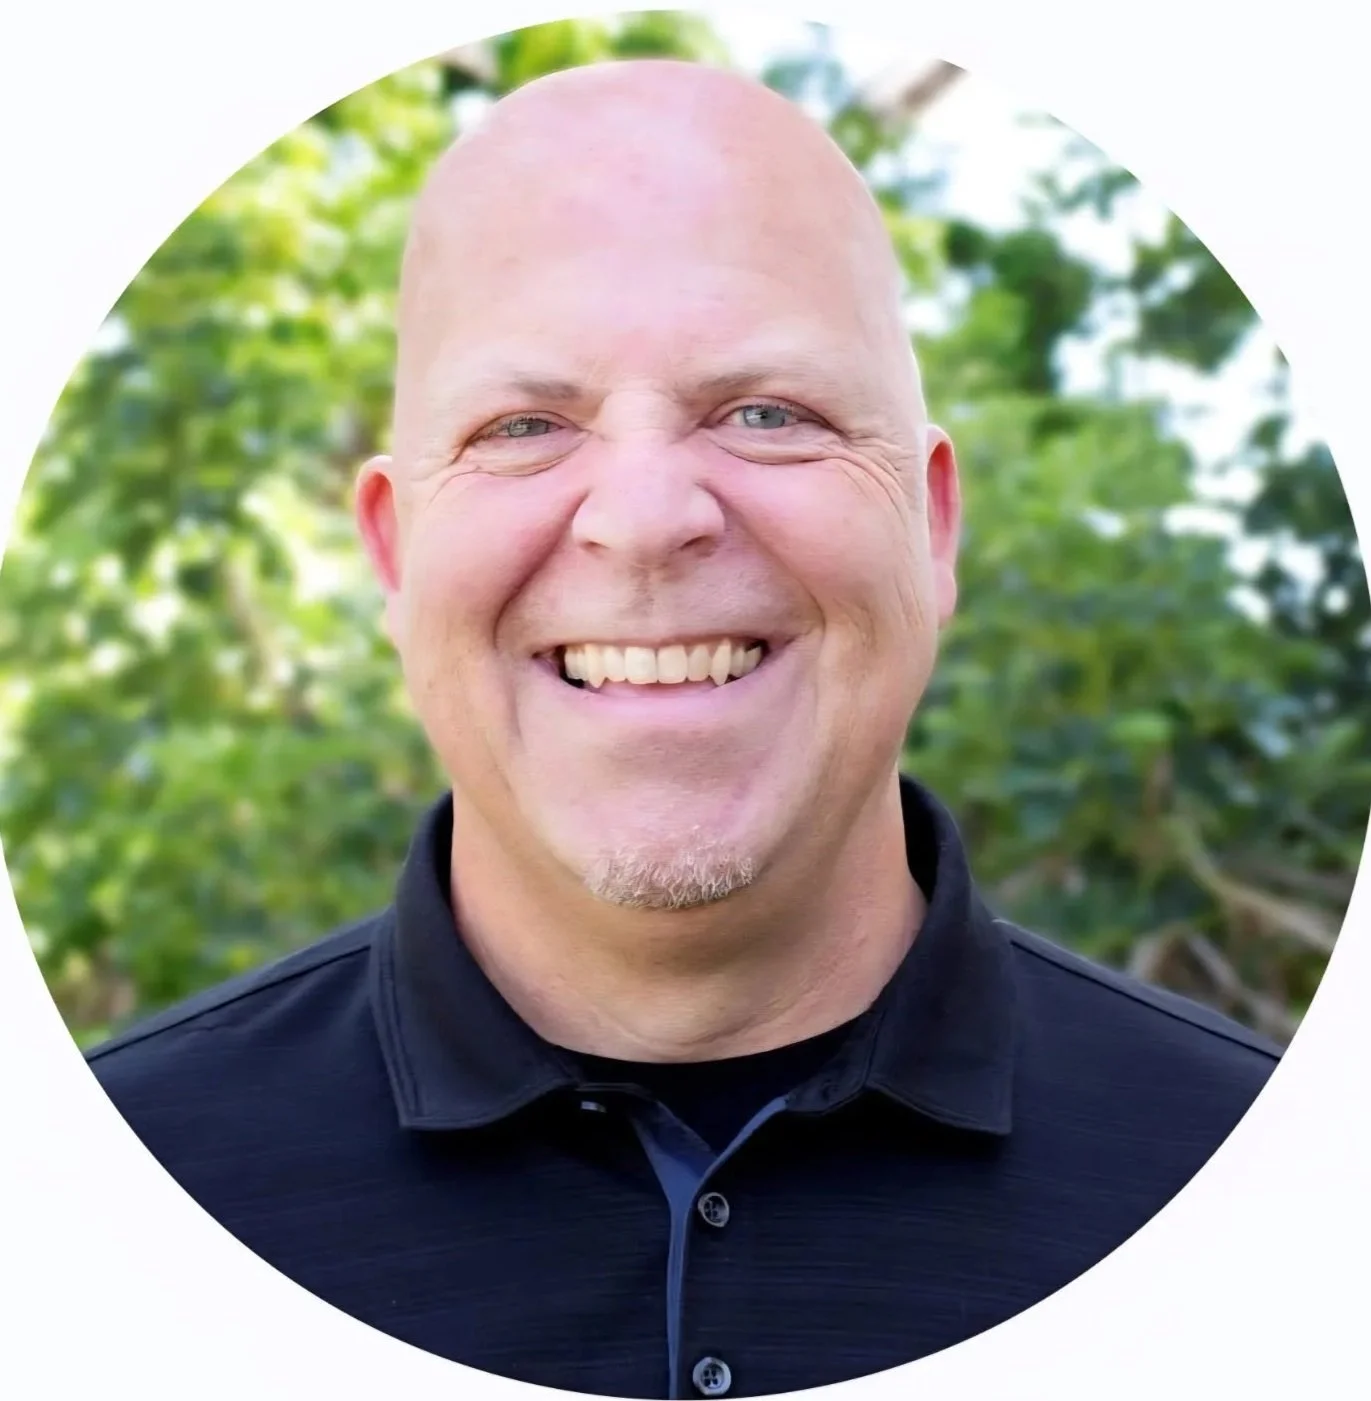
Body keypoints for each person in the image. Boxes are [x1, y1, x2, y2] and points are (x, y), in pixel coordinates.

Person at [88, 58, 1279, 1399]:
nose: (646, 519)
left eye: (766, 413)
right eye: (524, 425)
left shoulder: (1286, 1205)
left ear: (931, 525)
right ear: (393, 552)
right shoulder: (82, 1222)